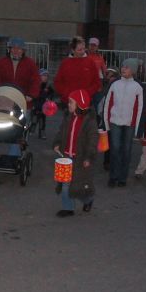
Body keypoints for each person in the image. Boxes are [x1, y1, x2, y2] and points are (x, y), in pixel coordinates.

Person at [52, 89, 98, 217]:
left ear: (80, 104)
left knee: (79, 186)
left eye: (71, 102)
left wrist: (88, 157)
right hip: (67, 157)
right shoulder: (68, 117)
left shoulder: (89, 122)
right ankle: (68, 208)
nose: (68, 104)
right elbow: (61, 132)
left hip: (81, 158)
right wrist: (57, 143)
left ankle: (88, 200)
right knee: (66, 184)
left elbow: (93, 140)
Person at [103, 58, 143, 187]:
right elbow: (107, 103)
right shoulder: (114, 84)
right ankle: (113, 176)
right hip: (115, 122)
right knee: (114, 149)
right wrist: (106, 122)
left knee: (126, 150)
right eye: (123, 66)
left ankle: (122, 177)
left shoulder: (138, 87)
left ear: (133, 71)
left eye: (127, 67)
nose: (123, 69)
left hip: (129, 124)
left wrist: (138, 128)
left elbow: (140, 108)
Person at [0, 37, 40, 110]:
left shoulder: (30, 63)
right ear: (10, 49)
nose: (16, 51)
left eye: (19, 49)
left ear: (23, 51)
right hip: (5, 100)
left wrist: (31, 95)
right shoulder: (1, 63)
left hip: (24, 100)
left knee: (24, 117)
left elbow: (36, 81)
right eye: (13, 48)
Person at [54, 36, 101, 109]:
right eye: (79, 50)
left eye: (83, 49)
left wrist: (86, 93)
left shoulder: (90, 62)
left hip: (85, 103)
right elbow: (58, 82)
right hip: (68, 103)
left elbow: (96, 82)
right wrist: (67, 93)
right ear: (73, 50)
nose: (82, 51)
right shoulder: (65, 63)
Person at [96, 67, 120, 171]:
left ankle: (112, 161)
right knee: (108, 142)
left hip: (115, 119)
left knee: (115, 142)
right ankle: (107, 162)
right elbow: (101, 106)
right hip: (106, 119)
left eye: (112, 76)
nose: (110, 79)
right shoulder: (105, 88)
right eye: (108, 76)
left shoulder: (117, 88)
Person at [32, 68, 55, 139]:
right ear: (39, 76)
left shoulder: (48, 86)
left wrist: (49, 98)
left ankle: (42, 132)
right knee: (34, 118)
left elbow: (52, 93)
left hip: (44, 106)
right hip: (36, 105)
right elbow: (33, 94)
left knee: (42, 119)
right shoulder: (36, 85)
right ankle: (32, 128)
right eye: (44, 75)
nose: (45, 77)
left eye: (47, 76)